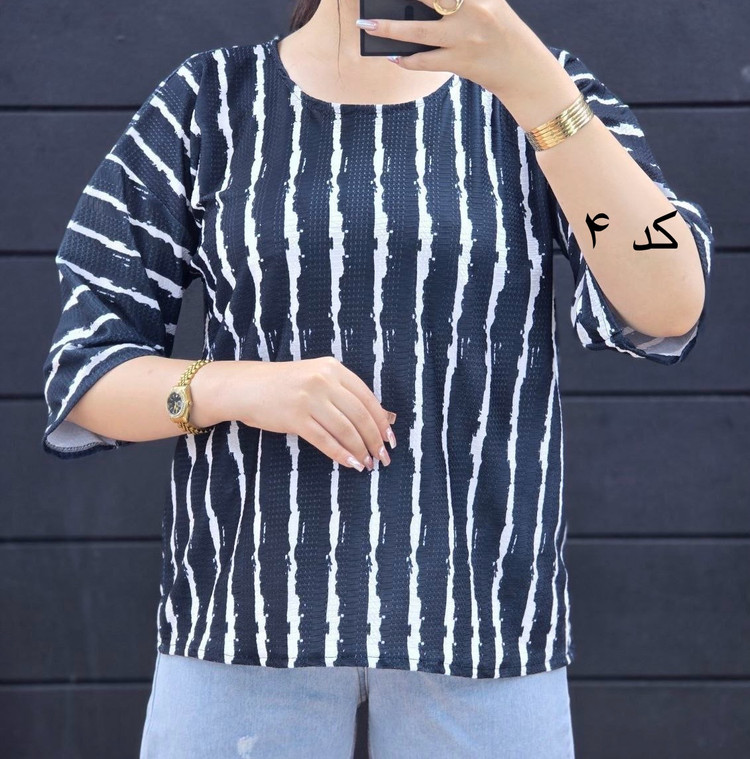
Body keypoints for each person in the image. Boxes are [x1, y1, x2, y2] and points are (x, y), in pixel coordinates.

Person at [41, 0, 713, 757]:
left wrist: (536, 86)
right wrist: (239, 386)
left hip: (485, 620)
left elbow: (667, 303)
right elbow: (86, 370)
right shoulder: (212, 101)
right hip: (245, 621)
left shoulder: (536, 92)